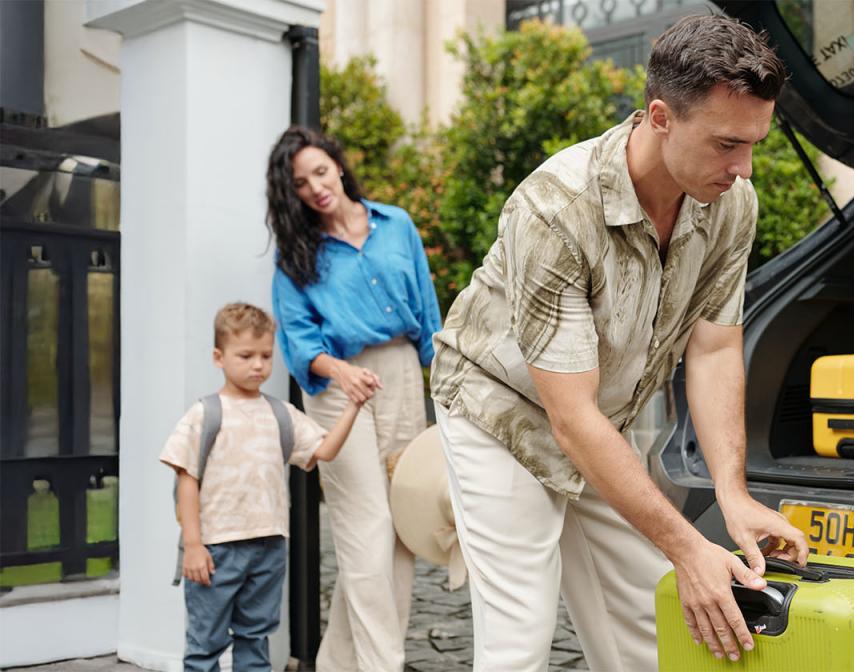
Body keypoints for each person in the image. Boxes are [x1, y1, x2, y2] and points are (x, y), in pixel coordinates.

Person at [429, 15, 810, 671]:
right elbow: (569, 418)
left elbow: (714, 350)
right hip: (500, 415)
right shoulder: (554, 207)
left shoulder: (732, 204)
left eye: (754, 144)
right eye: (725, 144)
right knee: (520, 636)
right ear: (660, 117)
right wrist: (689, 547)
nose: (744, 169)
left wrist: (733, 494)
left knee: (646, 627)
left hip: (604, 419)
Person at [266, 126, 443, 671]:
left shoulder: (396, 225)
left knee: (401, 528)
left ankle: (339, 663)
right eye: (300, 183)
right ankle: (382, 665)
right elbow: (298, 341)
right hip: (334, 388)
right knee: (365, 531)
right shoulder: (297, 256)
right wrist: (342, 372)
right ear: (291, 193)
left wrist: (449, 389)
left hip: (400, 376)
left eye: (320, 172)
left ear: (338, 167)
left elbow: (428, 314)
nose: (315, 187)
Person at [161, 303, 364, 672]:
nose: (258, 365)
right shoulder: (205, 414)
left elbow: (324, 451)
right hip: (216, 548)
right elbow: (186, 478)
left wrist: (353, 406)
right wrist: (192, 545)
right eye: (246, 356)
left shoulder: (280, 413)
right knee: (205, 645)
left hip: (269, 545)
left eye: (266, 356)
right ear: (218, 357)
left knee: (255, 641)